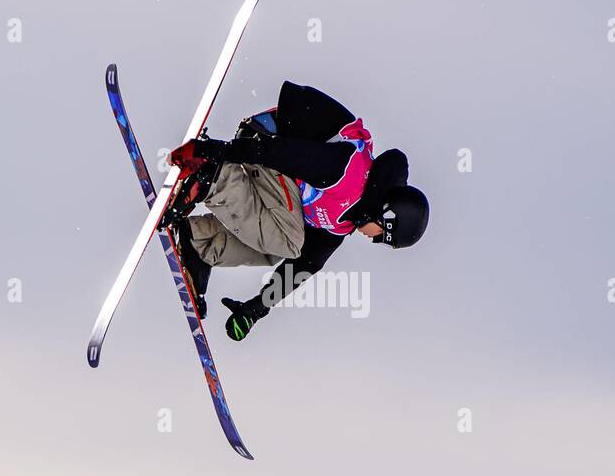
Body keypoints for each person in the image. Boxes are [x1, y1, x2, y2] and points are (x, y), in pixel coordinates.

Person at [162, 81, 429, 340]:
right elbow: (280, 153)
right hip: (263, 143)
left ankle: (198, 242)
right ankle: (213, 179)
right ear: (385, 214)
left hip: (270, 169)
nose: (374, 239)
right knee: (289, 240)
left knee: (281, 248)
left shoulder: (342, 222)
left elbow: (303, 266)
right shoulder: (347, 174)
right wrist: (210, 152)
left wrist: (256, 309)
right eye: (383, 235)